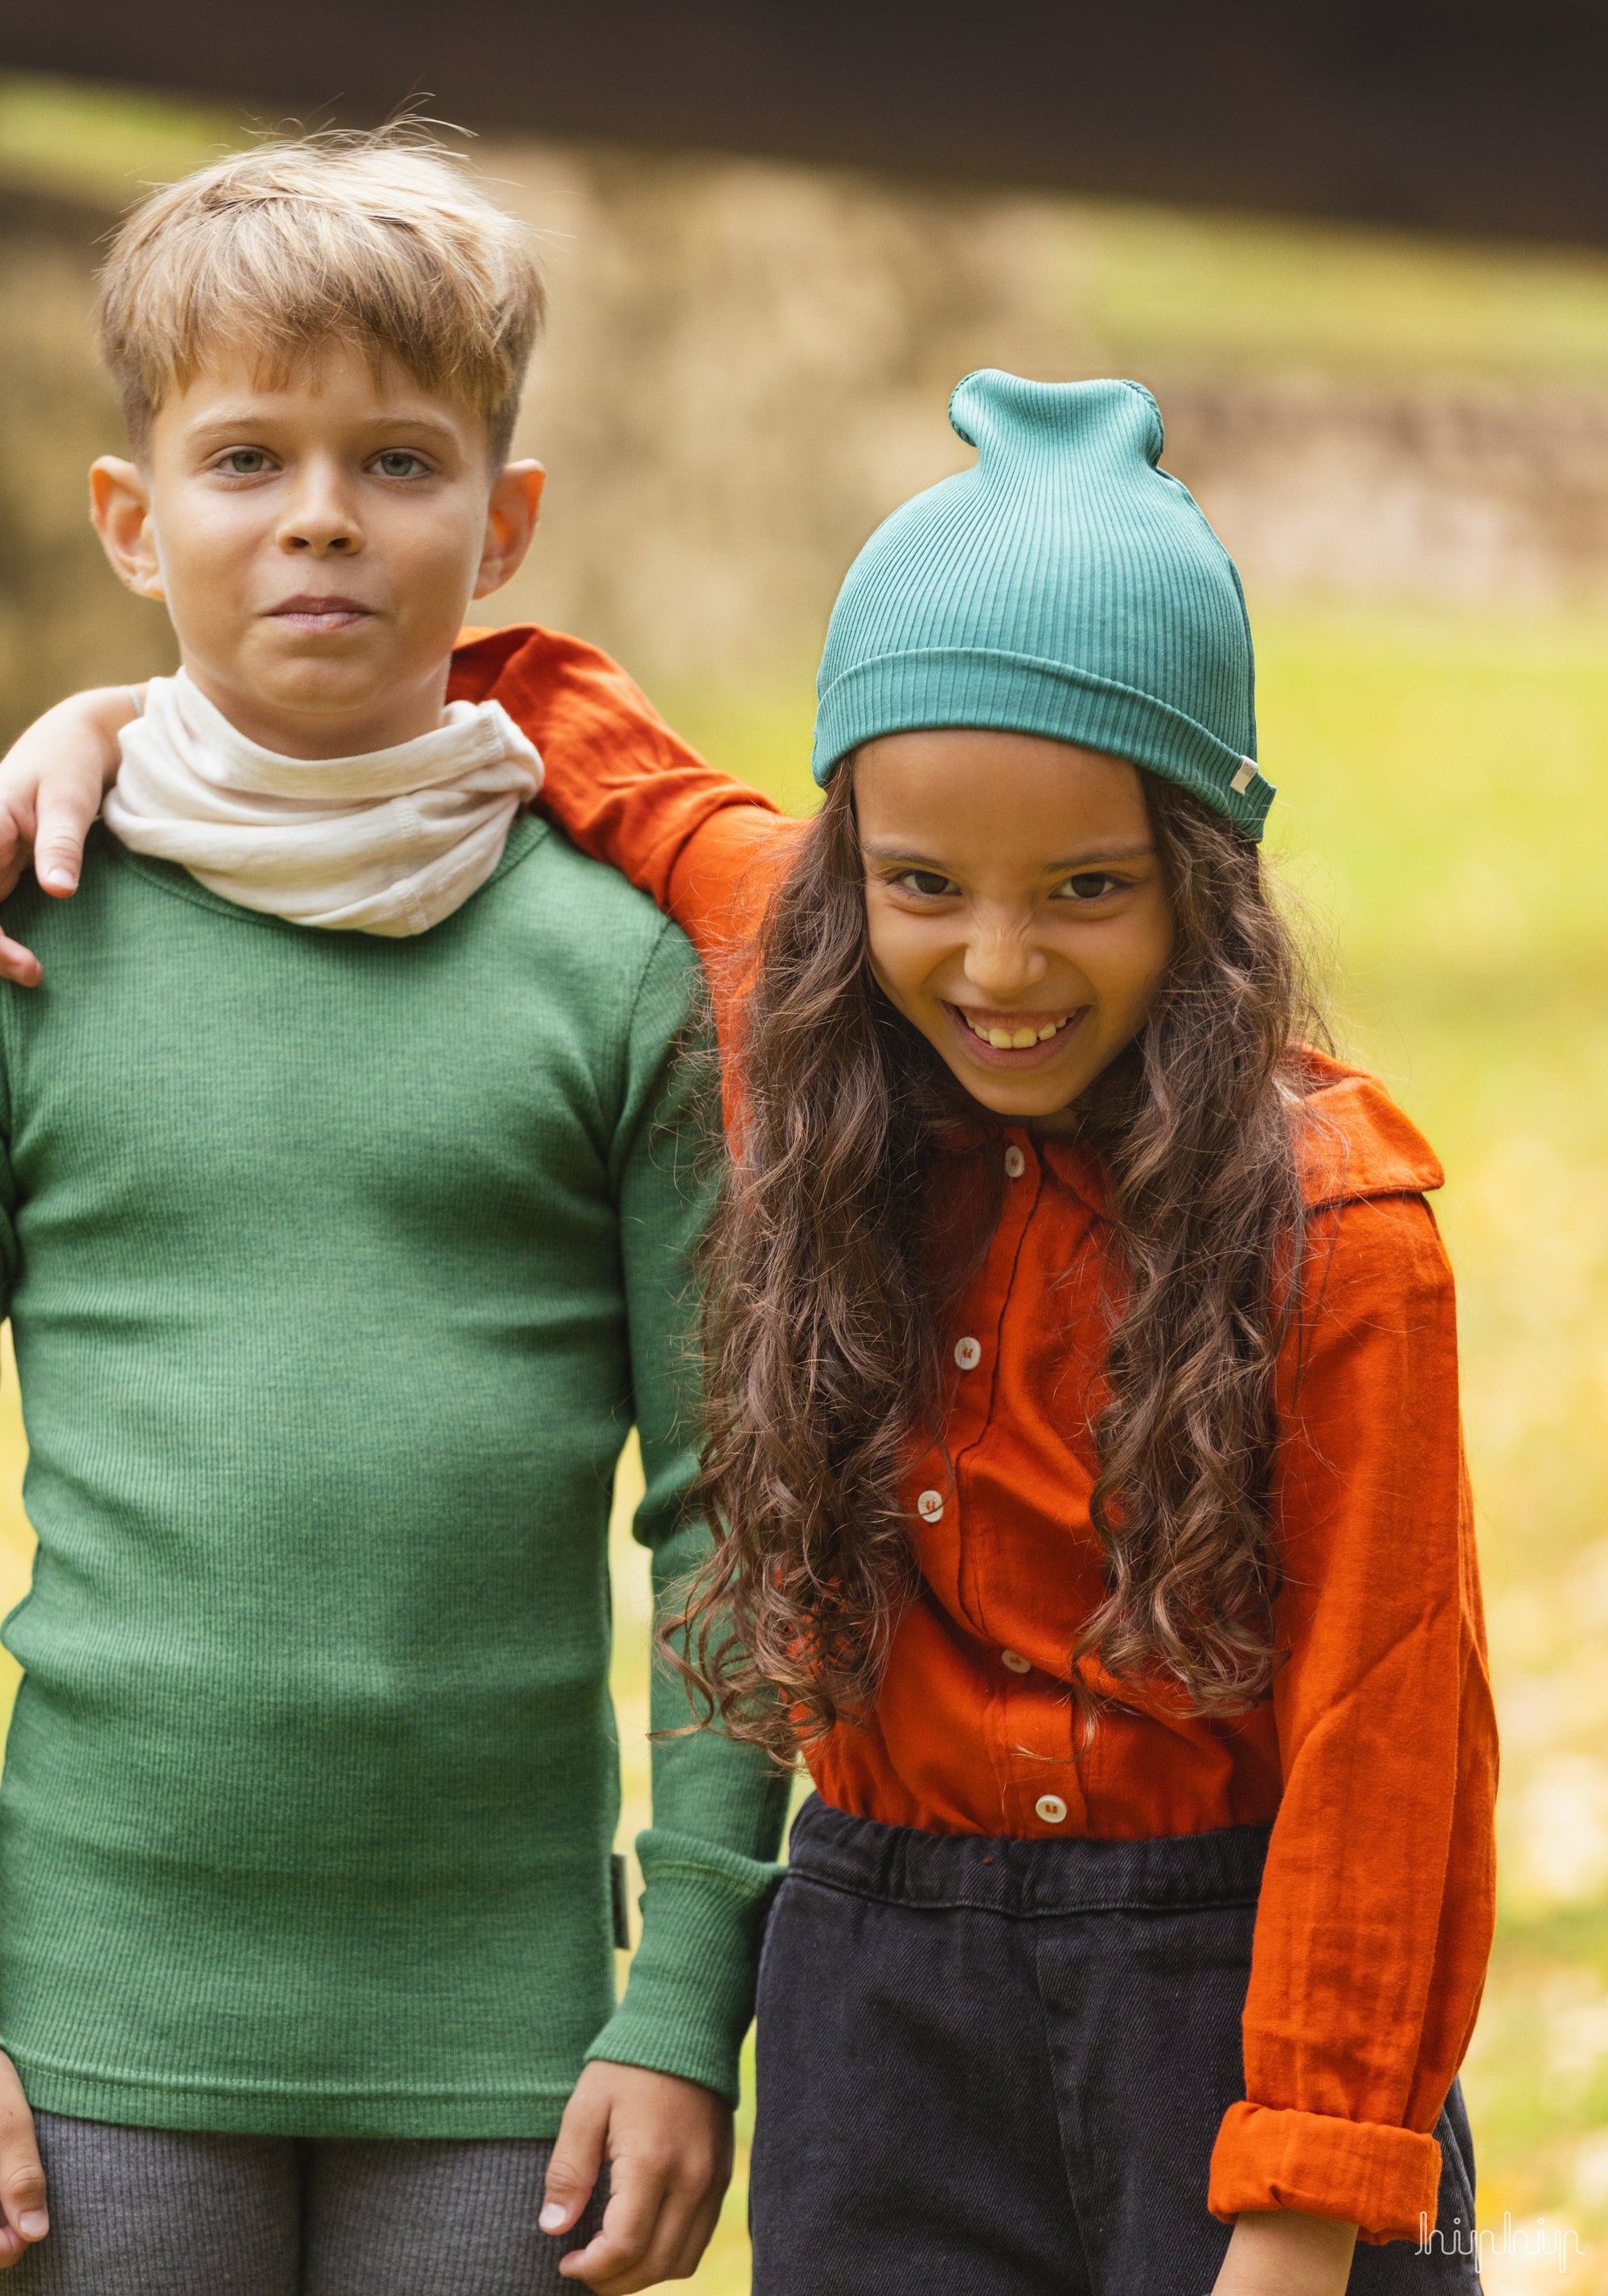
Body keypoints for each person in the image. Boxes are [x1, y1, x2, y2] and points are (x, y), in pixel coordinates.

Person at [4, 376, 1499, 2293]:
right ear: (842, 868)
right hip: (881, 1989)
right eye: (921, 885)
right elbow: (522, 698)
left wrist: (1301, 2208)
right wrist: (130, 728)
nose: (1002, 961)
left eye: (1092, 891)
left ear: (1205, 884)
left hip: (1223, 1995)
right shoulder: (794, 977)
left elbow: (1393, 1752)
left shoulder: (1337, 1238)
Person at [0, 129, 790, 2295]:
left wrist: (681, 2002)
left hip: (510, 2051)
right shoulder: (29, 943)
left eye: (399, 459)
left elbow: (734, 1516)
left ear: (505, 518)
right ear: (131, 519)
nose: (326, 512)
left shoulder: (614, 970)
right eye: (247, 456)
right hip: (87, 2027)